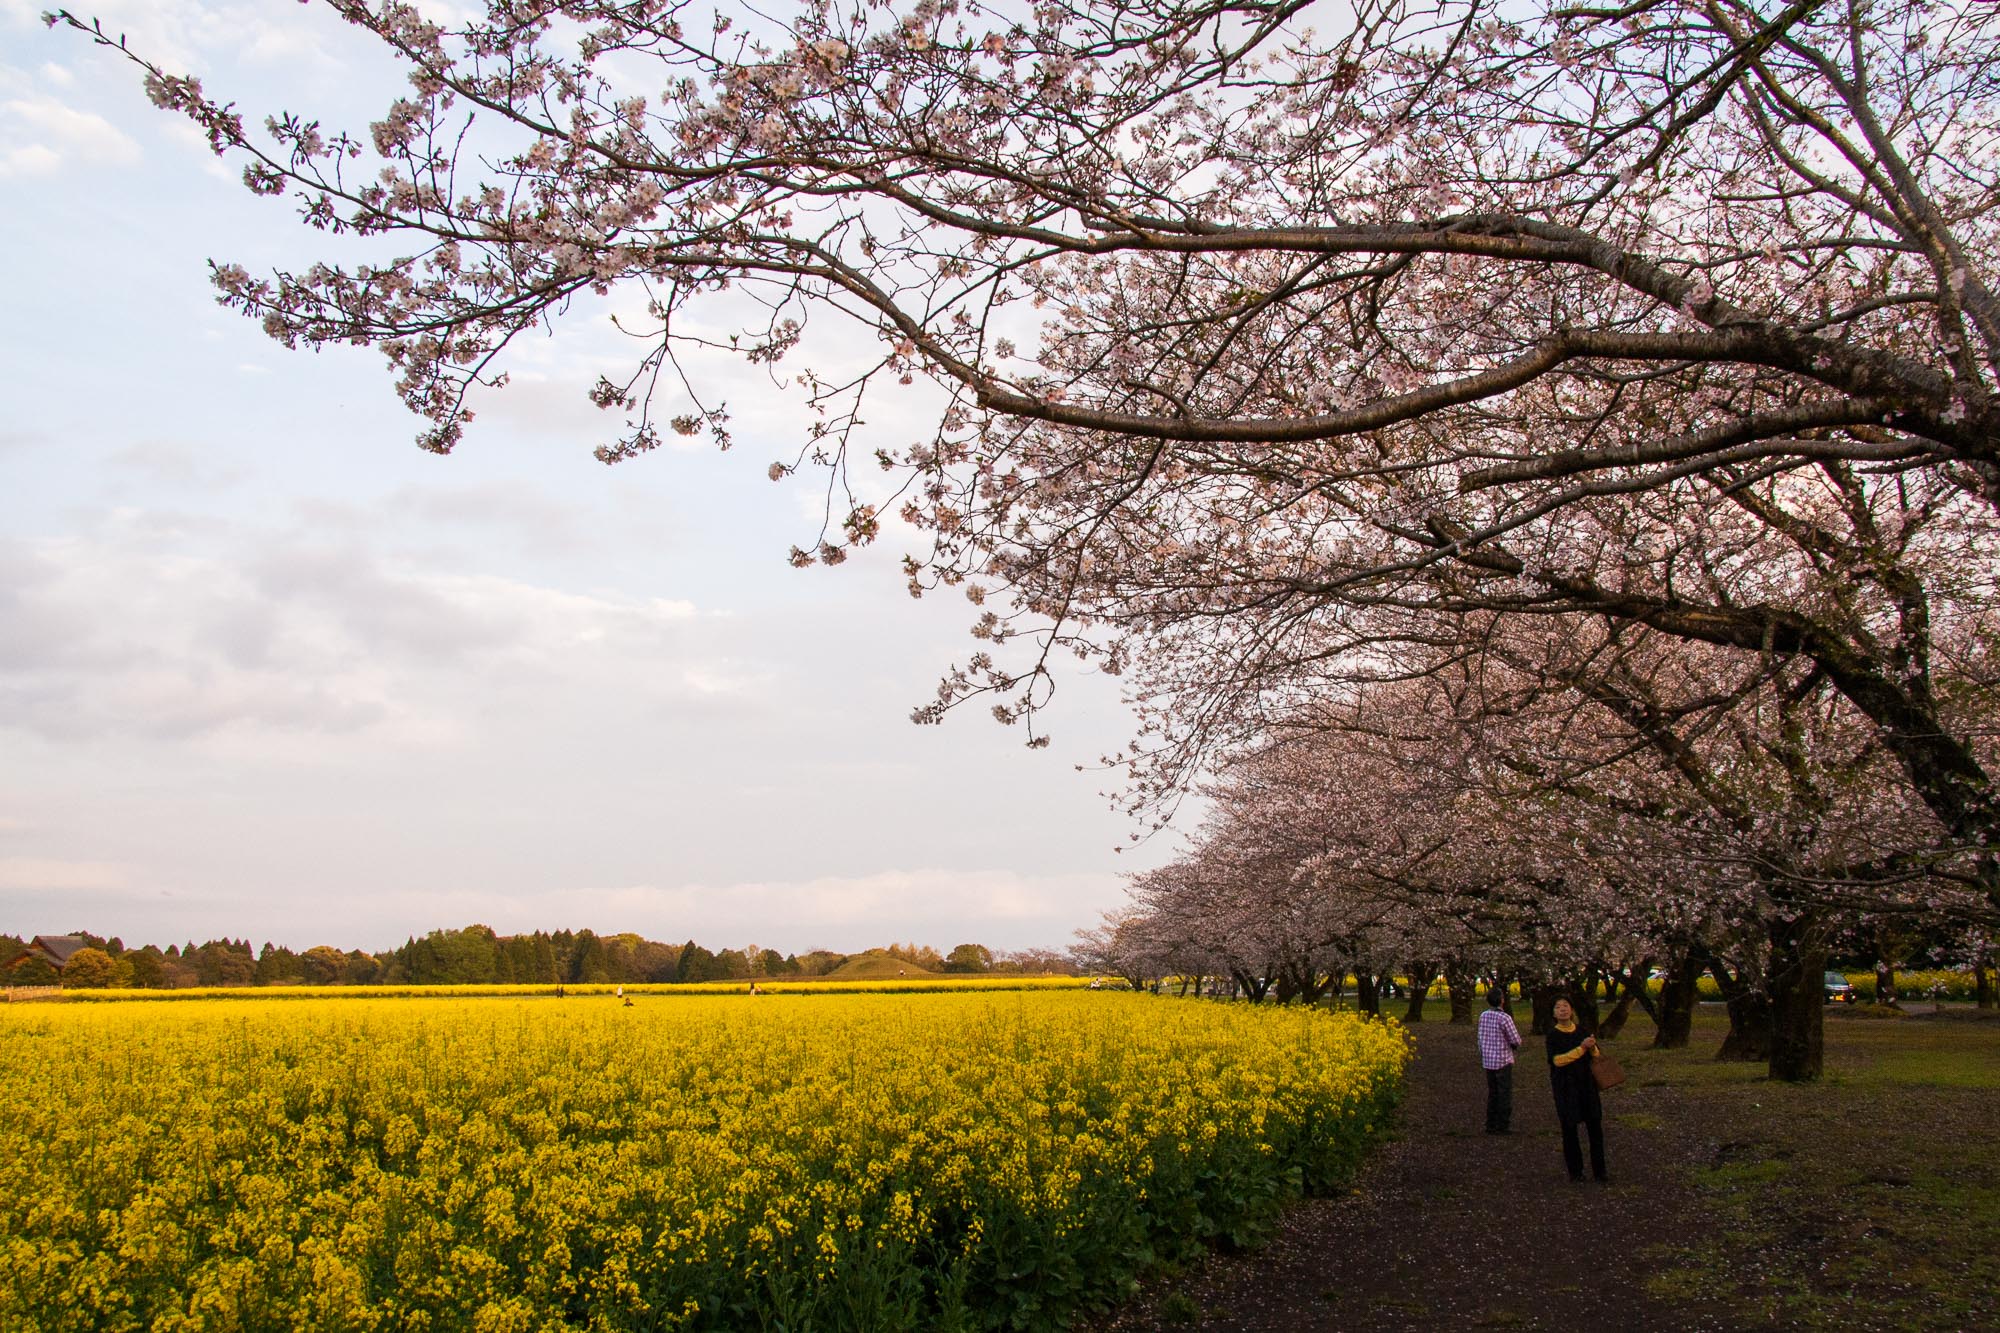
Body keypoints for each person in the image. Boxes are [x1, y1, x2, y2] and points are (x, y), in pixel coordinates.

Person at [1546, 996, 1609, 1183]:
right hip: (1565, 1087)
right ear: (1554, 1013)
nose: (1562, 1009)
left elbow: (1596, 1055)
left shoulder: (1582, 1031)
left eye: (1566, 1006)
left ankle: (1600, 1171)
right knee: (1569, 1128)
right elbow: (1557, 1060)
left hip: (1587, 1085)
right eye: (1558, 1007)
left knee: (1595, 1127)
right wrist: (1581, 1048)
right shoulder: (1553, 1036)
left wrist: (1592, 1047)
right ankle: (1576, 1171)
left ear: (1572, 1010)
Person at [1476, 985, 1522, 1134]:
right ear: (1502, 1000)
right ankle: (1503, 1125)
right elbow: (1515, 1039)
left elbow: (1480, 1037)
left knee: (1493, 1092)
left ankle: (1490, 1124)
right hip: (1503, 1060)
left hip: (1488, 1061)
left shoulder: (1483, 1015)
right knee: (1504, 1093)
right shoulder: (1505, 1018)